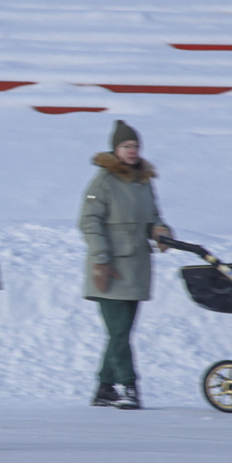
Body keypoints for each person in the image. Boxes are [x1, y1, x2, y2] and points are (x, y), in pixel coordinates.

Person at [80, 120, 171, 410]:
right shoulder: (102, 182)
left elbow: (153, 216)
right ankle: (128, 386)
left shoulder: (144, 181)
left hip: (137, 267)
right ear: (115, 149)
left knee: (121, 332)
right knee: (119, 332)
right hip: (109, 268)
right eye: (126, 146)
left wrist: (160, 230)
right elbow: (89, 222)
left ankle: (104, 389)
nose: (132, 151)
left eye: (135, 146)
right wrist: (100, 258)